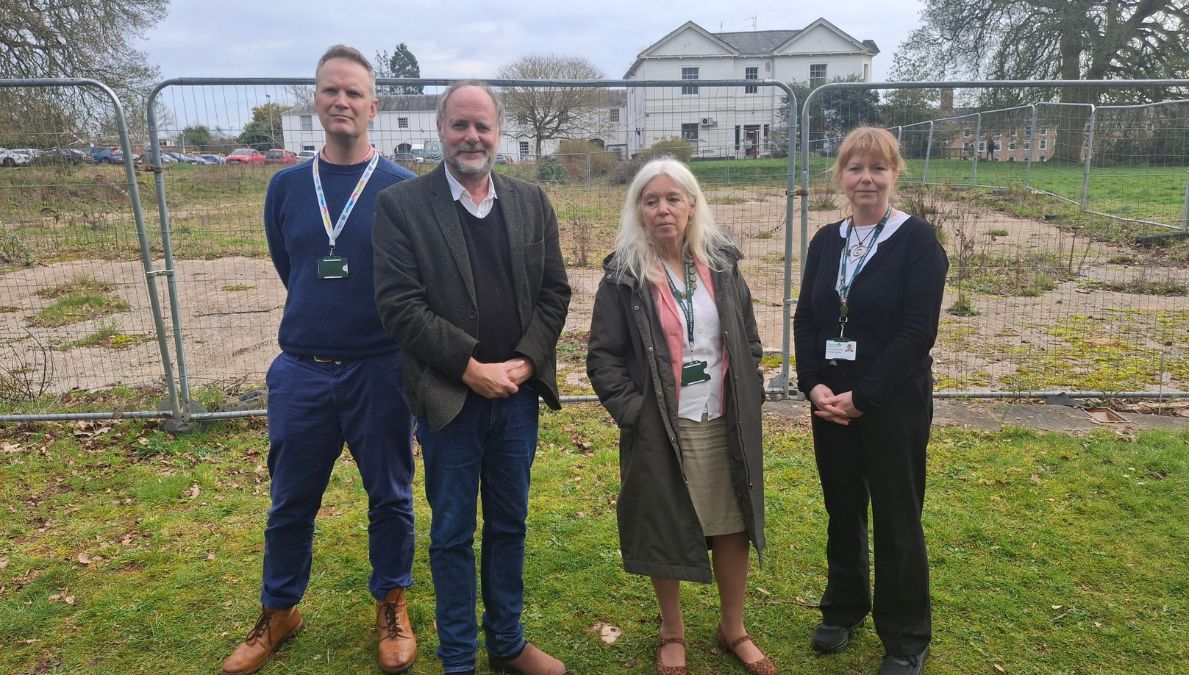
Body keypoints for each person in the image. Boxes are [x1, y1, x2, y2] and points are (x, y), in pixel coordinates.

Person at [221, 45, 420, 675]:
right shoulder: (285, 186)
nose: (342, 101)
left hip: (381, 370)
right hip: (302, 369)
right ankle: (280, 611)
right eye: (331, 91)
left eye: (354, 93)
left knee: (389, 495)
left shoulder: (402, 191)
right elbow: (292, 265)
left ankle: (391, 604)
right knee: (290, 500)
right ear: (316, 100)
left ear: (373, 106)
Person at [372, 81, 572, 675]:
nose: (472, 137)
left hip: (516, 397)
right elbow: (399, 306)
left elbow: (555, 292)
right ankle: (458, 657)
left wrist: (530, 360)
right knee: (453, 532)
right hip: (449, 399)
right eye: (460, 125)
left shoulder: (531, 201)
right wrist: (468, 368)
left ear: (499, 132)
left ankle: (507, 643)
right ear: (440, 130)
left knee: (509, 523)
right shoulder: (403, 206)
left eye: (482, 126)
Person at [587, 158, 775, 675]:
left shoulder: (723, 265)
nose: (663, 209)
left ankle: (732, 628)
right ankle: (672, 630)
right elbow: (601, 357)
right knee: (667, 519)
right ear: (639, 212)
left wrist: (751, 390)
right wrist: (635, 412)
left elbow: (749, 340)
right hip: (662, 425)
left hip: (725, 419)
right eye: (651, 201)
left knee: (732, 522)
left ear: (693, 205)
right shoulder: (625, 276)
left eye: (674, 198)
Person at [792, 126, 948, 675]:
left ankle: (906, 636)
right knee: (842, 508)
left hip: (890, 403)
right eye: (856, 168)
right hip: (830, 401)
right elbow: (808, 316)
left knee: (897, 514)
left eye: (878, 169)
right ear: (841, 175)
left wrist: (865, 397)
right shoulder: (825, 241)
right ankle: (844, 606)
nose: (866, 179)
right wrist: (812, 384)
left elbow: (916, 331)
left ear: (894, 175)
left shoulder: (918, 241)